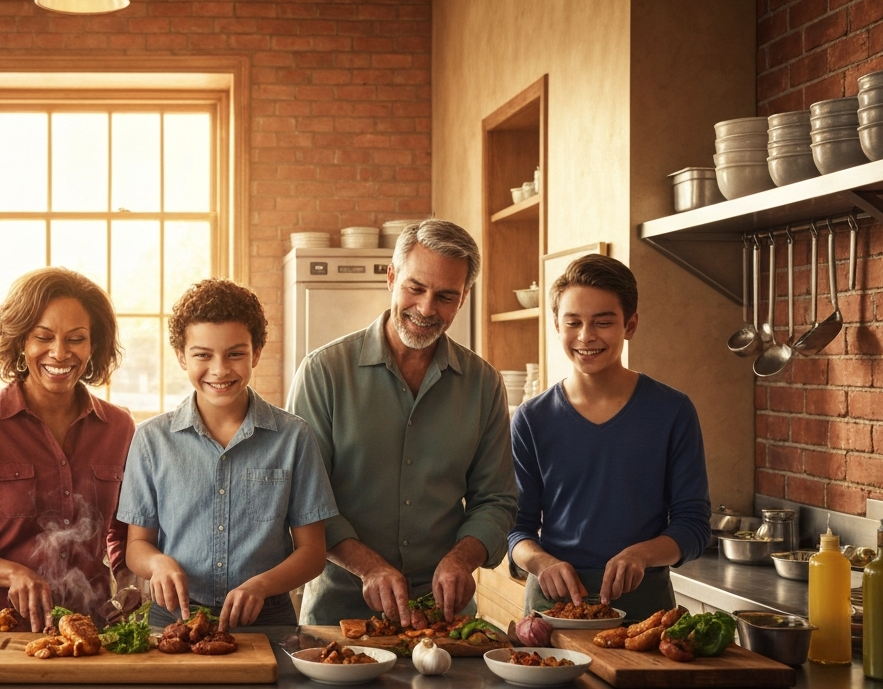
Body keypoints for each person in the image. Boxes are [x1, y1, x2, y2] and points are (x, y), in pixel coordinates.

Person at [287, 219, 518, 627]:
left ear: (462, 299)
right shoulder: (324, 372)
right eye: (416, 288)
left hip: (445, 617)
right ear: (391, 278)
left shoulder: (484, 384)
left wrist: (462, 560)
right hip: (339, 614)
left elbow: (495, 500)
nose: (427, 309)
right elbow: (305, 500)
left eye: (446, 296)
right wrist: (368, 567)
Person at [118, 279, 338, 630]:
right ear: (181, 356)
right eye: (202, 355)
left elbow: (312, 554)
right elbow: (137, 545)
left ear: (257, 352)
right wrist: (157, 563)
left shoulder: (294, 437)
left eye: (235, 354)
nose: (219, 370)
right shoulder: (151, 439)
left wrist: (262, 585)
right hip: (174, 619)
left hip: (267, 621)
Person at [508, 254, 710, 620]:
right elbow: (515, 530)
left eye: (603, 322)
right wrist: (540, 561)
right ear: (556, 325)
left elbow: (693, 525)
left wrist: (641, 555)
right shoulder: (531, 419)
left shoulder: (672, 411)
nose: (586, 337)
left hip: (645, 609)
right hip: (552, 609)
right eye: (573, 323)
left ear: (630, 325)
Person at [0, 267, 133, 632]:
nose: (60, 353)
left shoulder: (119, 428)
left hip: (90, 628)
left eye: (76, 339)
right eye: (43, 337)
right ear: (20, 340)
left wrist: (129, 580)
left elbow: (121, 532)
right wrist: (13, 573)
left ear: (94, 345)